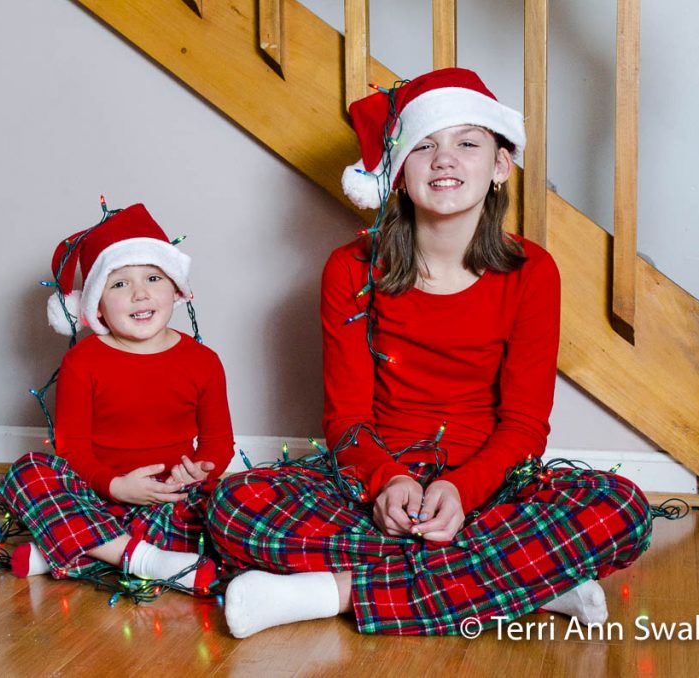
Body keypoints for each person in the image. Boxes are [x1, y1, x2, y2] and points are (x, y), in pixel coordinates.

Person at [207, 68, 652, 637]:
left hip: (489, 487)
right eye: (424, 145)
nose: (445, 159)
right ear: (395, 174)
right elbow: (345, 419)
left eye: (467, 143)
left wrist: (462, 491)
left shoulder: (532, 272)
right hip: (375, 484)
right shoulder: (350, 269)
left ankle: (330, 593)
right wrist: (389, 482)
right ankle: (529, 585)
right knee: (233, 506)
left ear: (498, 167)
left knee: (622, 508)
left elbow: (523, 425)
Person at [0, 203, 234, 592]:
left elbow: (218, 443)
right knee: (26, 472)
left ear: (176, 289)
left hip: (170, 502)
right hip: (100, 495)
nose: (140, 294)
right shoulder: (82, 362)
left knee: (232, 510)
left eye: (154, 278)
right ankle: (144, 559)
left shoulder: (203, 361)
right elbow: (72, 450)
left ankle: (80, 549)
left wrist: (198, 470)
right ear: (97, 306)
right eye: (120, 284)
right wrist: (116, 486)